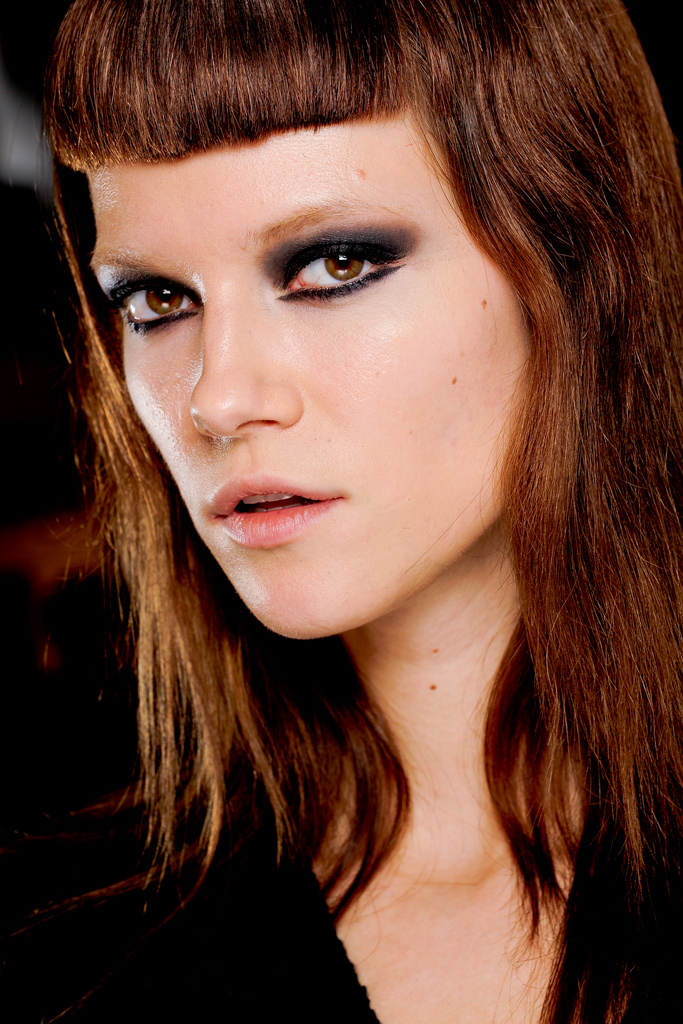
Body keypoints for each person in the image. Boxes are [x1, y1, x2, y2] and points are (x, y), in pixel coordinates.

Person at [4, 0, 683, 1021]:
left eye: (335, 265)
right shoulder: (50, 923)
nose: (218, 397)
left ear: (576, 266)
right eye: (157, 301)